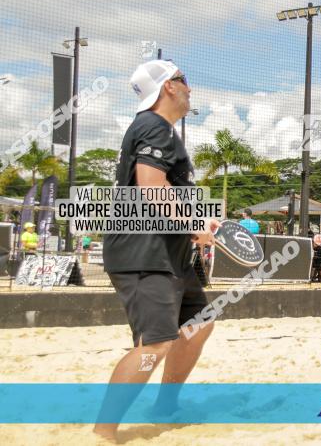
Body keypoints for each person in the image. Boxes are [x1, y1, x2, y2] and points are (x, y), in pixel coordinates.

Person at [94, 60, 219, 442]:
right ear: (168, 86)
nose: (189, 89)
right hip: (144, 253)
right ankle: (103, 431)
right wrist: (194, 224)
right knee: (155, 344)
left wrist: (199, 222)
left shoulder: (156, 129)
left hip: (168, 253)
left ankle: (164, 404)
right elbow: (151, 189)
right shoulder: (152, 126)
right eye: (184, 80)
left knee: (198, 324)